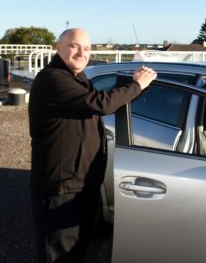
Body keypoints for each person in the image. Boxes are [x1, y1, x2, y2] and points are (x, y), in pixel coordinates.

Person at [29, 28, 157, 263]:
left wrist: (135, 88)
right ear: (58, 48)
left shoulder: (76, 77)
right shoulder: (53, 79)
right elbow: (99, 104)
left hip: (80, 186)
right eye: (74, 46)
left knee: (75, 253)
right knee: (58, 256)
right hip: (61, 188)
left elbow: (99, 104)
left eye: (87, 48)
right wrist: (137, 85)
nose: (82, 53)